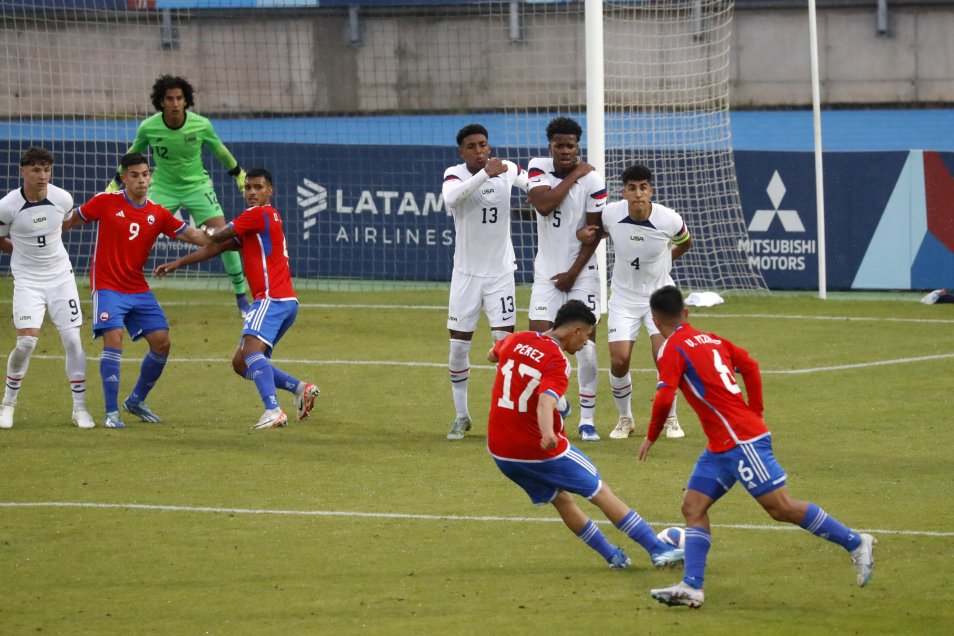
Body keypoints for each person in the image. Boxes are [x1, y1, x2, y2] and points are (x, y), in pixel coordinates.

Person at [638, 286, 877, 608]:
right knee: (693, 507)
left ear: (654, 320)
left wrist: (652, 435)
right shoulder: (714, 340)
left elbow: (665, 396)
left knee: (780, 507)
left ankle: (856, 542)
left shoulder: (671, 349)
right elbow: (749, 365)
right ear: (687, 312)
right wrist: (756, 411)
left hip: (741, 441)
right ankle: (692, 586)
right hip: (721, 445)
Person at [488, 299, 685, 570]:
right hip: (537, 449)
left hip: (500, 451)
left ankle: (613, 556)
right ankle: (658, 549)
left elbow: (492, 355)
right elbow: (545, 402)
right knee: (600, 491)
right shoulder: (557, 361)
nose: (586, 344)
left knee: (562, 500)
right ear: (577, 330)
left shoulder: (517, 338)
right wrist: (547, 433)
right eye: (588, 336)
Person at [155, 168, 319, 430]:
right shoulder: (257, 224)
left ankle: (273, 410)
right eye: (248, 187)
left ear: (270, 191)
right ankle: (301, 389)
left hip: (271, 299)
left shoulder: (258, 214)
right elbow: (217, 247)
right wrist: (178, 263)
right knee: (241, 362)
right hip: (284, 302)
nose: (252, 192)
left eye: (258, 187)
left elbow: (218, 235)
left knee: (251, 352)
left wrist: (192, 229)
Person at [63, 152, 210, 428]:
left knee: (162, 342)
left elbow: (193, 235)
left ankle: (135, 401)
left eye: (145, 174)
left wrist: (229, 236)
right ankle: (111, 413)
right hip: (107, 286)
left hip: (137, 287)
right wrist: (42, 239)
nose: (141, 180)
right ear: (123, 178)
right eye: (134, 175)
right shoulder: (105, 202)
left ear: (150, 177)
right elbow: (71, 221)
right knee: (114, 339)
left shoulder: (158, 212)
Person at [105, 75, 250, 315]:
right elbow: (131, 155)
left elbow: (220, 151)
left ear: (186, 101)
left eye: (179, 98)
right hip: (163, 188)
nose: (175, 103)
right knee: (136, 232)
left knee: (223, 237)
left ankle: (241, 296)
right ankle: (120, 289)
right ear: (161, 101)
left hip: (197, 187)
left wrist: (239, 174)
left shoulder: (201, 125)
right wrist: (114, 184)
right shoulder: (149, 127)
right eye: (170, 98)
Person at [578, 165, 691, 441]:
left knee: (664, 358)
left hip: (659, 299)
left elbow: (685, 242)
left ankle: (671, 417)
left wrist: (665, 264)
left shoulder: (669, 219)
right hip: (623, 299)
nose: (638, 193)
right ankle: (625, 419)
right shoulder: (610, 214)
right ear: (624, 192)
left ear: (650, 190)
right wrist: (584, 234)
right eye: (632, 188)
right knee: (619, 361)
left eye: (643, 187)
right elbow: (596, 233)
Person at [442, 124, 528, 441]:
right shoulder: (454, 174)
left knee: (504, 347)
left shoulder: (507, 169)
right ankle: (461, 416)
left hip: (500, 274)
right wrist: (484, 174)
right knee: (458, 347)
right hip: (466, 274)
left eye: (483, 145)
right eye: (472, 146)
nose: (479, 151)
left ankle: (506, 417)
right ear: (462, 152)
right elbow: (452, 199)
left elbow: (535, 185)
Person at [0, 147, 94, 430]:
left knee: (73, 341)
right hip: (28, 281)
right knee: (26, 343)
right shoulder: (7, 206)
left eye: (47, 169)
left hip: (61, 278)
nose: (43, 176)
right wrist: (21, 252)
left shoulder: (62, 198)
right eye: (36, 170)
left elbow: (61, 225)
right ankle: (7, 404)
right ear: (22, 171)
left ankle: (80, 409)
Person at [526, 117, 607, 442]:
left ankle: (587, 421)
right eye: (559, 145)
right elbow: (544, 205)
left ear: (577, 146)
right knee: (538, 344)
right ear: (550, 146)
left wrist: (573, 274)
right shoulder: (537, 167)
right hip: (546, 273)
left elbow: (595, 233)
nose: (564, 151)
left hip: (582, 274)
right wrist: (575, 173)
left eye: (570, 146)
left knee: (585, 347)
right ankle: (559, 403)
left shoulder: (594, 180)